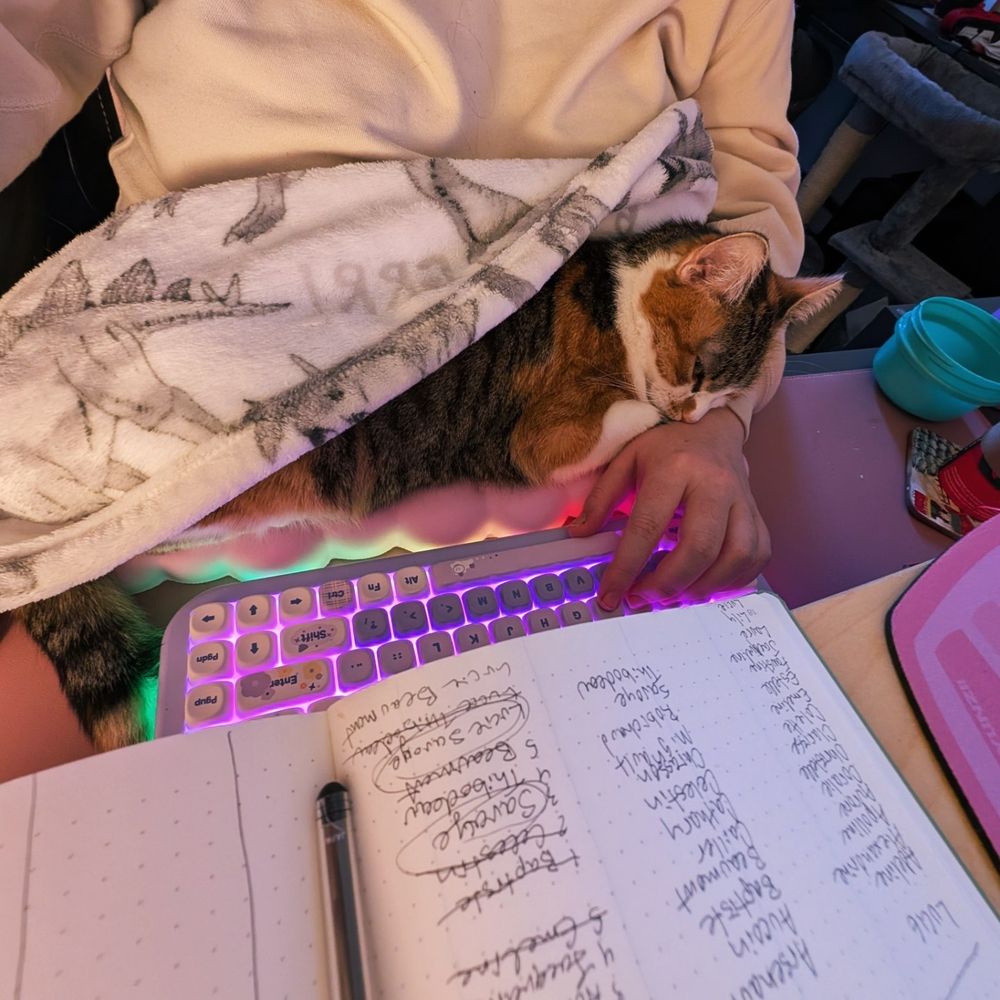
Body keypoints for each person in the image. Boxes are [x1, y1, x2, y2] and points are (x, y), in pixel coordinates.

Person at [0, 0, 804, 610]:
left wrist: (719, 424)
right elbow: (24, 44)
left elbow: (749, 165)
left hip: (577, 410)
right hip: (214, 341)